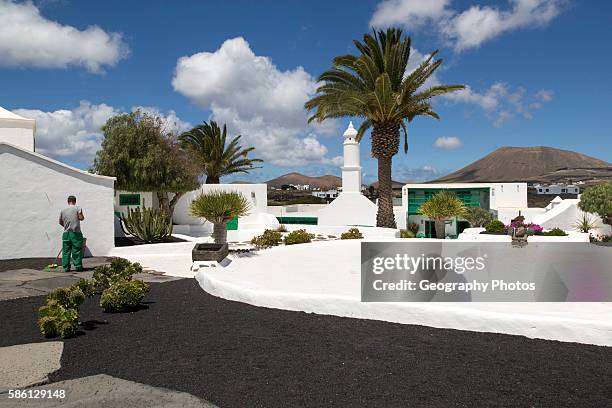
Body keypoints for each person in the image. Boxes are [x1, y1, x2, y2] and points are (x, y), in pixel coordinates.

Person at [59, 195, 85, 272]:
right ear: (75, 201)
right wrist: (80, 214)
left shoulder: (63, 210)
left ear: (68, 201)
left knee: (66, 251)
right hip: (75, 232)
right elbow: (81, 218)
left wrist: (66, 226)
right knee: (76, 250)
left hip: (66, 233)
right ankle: (78, 266)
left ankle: (66, 268)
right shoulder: (78, 208)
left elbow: (60, 222)